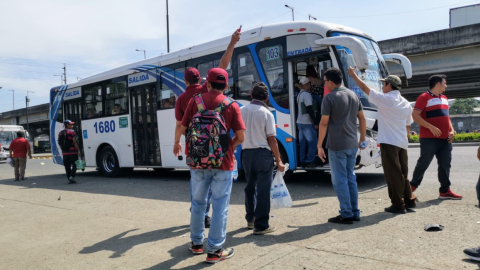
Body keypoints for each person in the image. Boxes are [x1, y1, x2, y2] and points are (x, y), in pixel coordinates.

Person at [173, 29, 241, 230]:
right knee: (217, 191)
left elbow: (180, 125)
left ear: (185, 82)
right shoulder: (205, 91)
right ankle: (208, 222)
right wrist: (232, 43)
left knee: (197, 192)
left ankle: (198, 221)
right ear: (203, 81)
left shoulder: (182, 99)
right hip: (218, 149)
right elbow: (222, 66)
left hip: (194, 151)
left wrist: (177, 142)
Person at [176, 68, 245, 263]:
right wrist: (223, 148)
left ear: (207, 84)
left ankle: (197, 244)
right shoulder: (231, 105)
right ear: (226, 86)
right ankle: (215, 251)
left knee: (198, 204)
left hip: (197, 162)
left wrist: (201, 145)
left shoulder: (195, 101)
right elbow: (241, 137)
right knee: (220, 206)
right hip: (223, 164)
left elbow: (183, 130)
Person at [348, 67, 417, 214]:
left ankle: (398, 204)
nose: (382, 86)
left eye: (384, 84)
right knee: (403, 173)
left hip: (389, 142)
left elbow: (365, 88)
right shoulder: (405, 103)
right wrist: (404, 139)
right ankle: (409, 200)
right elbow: (408, 125)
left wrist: (353, 75)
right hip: (402, 143)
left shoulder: (385, 99)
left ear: (389, 85)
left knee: (393, 174)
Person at [317, 67, 366, 224]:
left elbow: (324, 123)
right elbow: (362, 119)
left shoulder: (329, 98)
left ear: (331, 82)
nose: (325, 84)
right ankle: (354, 211)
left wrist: (319, 145)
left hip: (337, 145)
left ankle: (346, 214)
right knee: (350, 177)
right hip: (352, 144)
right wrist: (362, 139)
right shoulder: (354, 95)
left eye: (325, 81)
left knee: (340, 180)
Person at [241, 82, 286, 235]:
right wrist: (279, 160)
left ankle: (250, 219)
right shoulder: (266, 113)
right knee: (263, 189)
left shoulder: (241, 110)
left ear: (251, 96)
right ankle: (261, 225)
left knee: (250, 186)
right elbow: (272, 139)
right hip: (263, 155)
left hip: (246, 154)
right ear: (267, 98)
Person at [410, 75, 462, 199]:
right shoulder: (424, 97)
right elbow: (415, 115)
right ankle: (410, 188)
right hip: (429, 138)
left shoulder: (444, 98)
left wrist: (452, 131)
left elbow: (446, 117)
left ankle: (444, 191)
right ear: (438, 84)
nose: (446, 85)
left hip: (445, 139)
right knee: (423, 163)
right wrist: (431, 127)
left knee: (445, 165)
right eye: (445, 83)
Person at [296, 77, 318, 168]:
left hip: (300, 122)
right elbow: (309, 108)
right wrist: (315, 121)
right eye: (309, 84)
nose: (310, 86)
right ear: (305, 85)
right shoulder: (307, 95)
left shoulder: (300, 94)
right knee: (313, 142)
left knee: (303, 143)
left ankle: (303, 160)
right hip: (307, 122)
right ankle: (310, 161)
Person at [59, 120, 82, 184]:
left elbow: (60, 143)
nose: (72, 126)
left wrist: (63, 149)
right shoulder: (72, 132)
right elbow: (75, 142)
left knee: (67, 166)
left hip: (65, 153)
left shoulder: (60, 133)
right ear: (67, 125)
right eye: (70, 124)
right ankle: (72, 177)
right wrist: (78, 150)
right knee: (75, 165)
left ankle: (69, 179)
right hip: (73, 152)